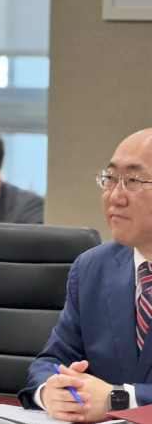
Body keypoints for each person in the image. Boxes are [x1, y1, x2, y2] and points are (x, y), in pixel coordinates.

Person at [18, 128, 152, 421]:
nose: (114, 196)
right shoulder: (92, 268)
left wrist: (120, 399)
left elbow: (113, 397)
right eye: (110, 178)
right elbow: (52, 361)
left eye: (133, 180)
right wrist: (50, 391)